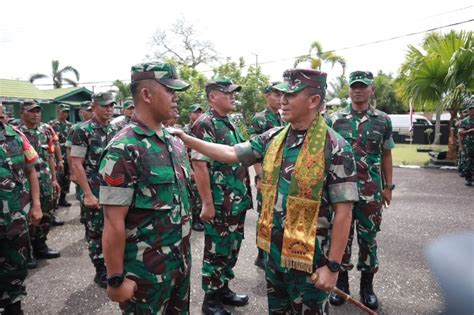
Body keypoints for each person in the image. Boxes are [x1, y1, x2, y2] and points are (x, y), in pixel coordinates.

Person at [171, 68, 358, 314]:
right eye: (282, 94)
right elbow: (231, 153)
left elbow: (344, 212)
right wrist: (187, 138)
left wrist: (333, 267)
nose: (283, 100)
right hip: (275, 257)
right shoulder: (274, 137)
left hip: (311, 262)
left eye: (291, 95)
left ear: (314, 100)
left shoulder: (335, 148)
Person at [99, 62, 193, 314]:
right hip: (144, 276)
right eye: (169, 91)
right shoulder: (125, 148)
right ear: (146, 94)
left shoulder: (174, 142)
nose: (176, 99)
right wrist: (116, 278)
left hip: (180, 266)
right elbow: (112, 220)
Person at [328, 71, 395, 310]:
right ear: (349, 90)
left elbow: (387, 153)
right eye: (354, 86)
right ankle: (342, 286)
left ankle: (367, 288)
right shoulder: (335, 119)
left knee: (368, 239)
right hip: (341, 191)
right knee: (342, 238)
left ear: (371, 90)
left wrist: (388, 187)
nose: (358, 90)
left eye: (363, 86)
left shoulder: (382, 119)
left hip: (371, 191)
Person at [191, 76, 253, 315]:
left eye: (233, 92)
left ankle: (223, 289)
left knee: (231, 249)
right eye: (227, 92)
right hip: (219, 202)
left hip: (235, 202)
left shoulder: (228, 122)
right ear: (212, 96)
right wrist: (207, 203)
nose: (232, 96)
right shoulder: (205, 123)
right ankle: (211, 302)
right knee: (216, 252)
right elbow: (199, 165)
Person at [70, 92, 118, 288]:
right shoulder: (82, 130)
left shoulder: (116, 130)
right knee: (96, 231)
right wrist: (87, 194)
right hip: (94, 189)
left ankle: (115, 265)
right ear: (94, 107)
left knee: (115, 228)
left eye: (111, 106)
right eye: (105, 105)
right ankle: (101, 269)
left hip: (114, 188)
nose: (109, 109)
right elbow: (76, 164)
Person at [0, 102, 43, 315]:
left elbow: (31, 171)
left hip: (15, 216)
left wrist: (36, 204)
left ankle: (14, 303)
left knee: (17, 261)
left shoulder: (16, 136)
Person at [18, 100, 61, 269]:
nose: (36, 114)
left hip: (45, 180)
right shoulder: (17, 134)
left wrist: (54, 178)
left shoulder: (45, 131)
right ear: (22, 113)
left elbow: (50, 155)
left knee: (46, 214)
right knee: (27, 219)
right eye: (31, 111)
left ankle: (40, 245)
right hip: (25, 184)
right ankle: (26, 253)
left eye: (38, 111)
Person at [249, 81, 285, 269]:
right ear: (266, 96)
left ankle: (273, 251)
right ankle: (261, 254)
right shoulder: (260, 119)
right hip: (267, 175)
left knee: (277, 214)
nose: (280, 98)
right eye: (276, 94)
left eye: (282, 95)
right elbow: (254, 152)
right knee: (265, 214)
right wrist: (260, 176)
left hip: (281, 177)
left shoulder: (284, 118)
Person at [183, 103, 204, 232]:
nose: (199, 115)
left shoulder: (203, 127)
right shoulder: (186, 130)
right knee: (195, 194)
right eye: (196, 112)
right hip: (191, 165)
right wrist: (189, 169)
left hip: (202, 165)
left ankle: (201, 217)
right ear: (190, 114)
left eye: (200, 112)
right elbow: (184, 151)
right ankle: (195, 219)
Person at [49, 104, 73, 209]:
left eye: (67, 112)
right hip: (56, 157)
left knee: (66, 179)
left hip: (67, 157)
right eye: (63, 112)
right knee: (56, 179)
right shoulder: (51, 125)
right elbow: (50, 142)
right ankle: (54, 201)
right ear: (58, 111)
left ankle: (63, 199)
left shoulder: (70, 125)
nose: (65, 114)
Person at [458, 97, 474, 186]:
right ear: (468, 110)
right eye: (470, 109)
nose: (472, 110)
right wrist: (468, 131)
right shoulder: (465, 120)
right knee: (468, 161)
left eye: (473, 109)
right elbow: (460, 132)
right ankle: (468, 179)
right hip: (468, 143)